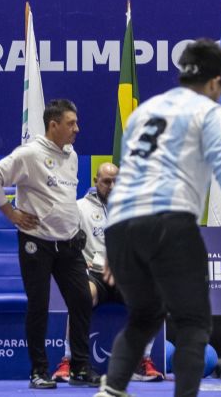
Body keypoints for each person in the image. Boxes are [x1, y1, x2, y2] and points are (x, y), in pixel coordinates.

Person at [94, 39, 221, 397]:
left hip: (120, 226)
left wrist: (116, 250)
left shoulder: (145, 111)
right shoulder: (208, 112)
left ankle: (111, 390)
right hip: (168, 221)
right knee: (194, 322)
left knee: (145, 315)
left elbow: (126, 174)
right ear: (215, 82)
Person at [0, 99, 100, 389]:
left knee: (82, 300)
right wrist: (11, 213)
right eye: (71, 123)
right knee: (39, 305)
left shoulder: (71, 155)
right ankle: (39, 371)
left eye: (76, 122)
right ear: (53, 125)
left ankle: (80, 367)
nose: (77, 129)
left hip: (70, 244)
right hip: (37, 243)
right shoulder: (30, 154)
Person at [52, 163, 164, 383]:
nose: (112, 186)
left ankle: (142, 362)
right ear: (96, 182)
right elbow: (64, 243)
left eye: (116, 181)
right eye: (106, 181)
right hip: (93, 274)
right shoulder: (79, 208)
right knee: (81, 296)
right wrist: (79, 264)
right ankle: (68, 361)